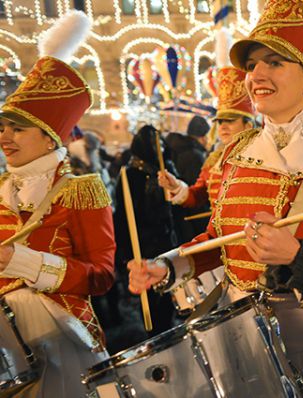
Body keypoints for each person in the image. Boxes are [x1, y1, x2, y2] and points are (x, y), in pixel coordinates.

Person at [129, 1, 303, 396]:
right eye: (251, 65)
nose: (257, 74)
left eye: (275, 61)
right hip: (240, 343)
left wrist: (299, 257)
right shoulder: (235, 154)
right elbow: (219, 242)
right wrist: (168, 266)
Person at [0, 11, 115, 397]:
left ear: (50, 138)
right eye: (3, 127)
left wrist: (24, 263)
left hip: (64, 342)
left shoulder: (81, 190)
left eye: (18, 128)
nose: (5, 137)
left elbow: (101, 276)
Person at [113, 125, 180, 337]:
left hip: (167, 240)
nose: (158, 148)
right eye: (153, 144)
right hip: (142, 243)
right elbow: (123, 219)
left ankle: (169, 326)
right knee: (150, 296)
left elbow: (177, 206)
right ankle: (157, 335)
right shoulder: (130, 174)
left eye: (160, 143)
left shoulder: (167, 168)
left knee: (170, 286)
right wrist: (126, 256)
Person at [158, 67, 255, 211]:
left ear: (247, 125)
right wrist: (176, 186)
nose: (223, 127)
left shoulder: (263, 154)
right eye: (220, 122)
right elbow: (197, 196)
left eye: (230, 121)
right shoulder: (214, 161)